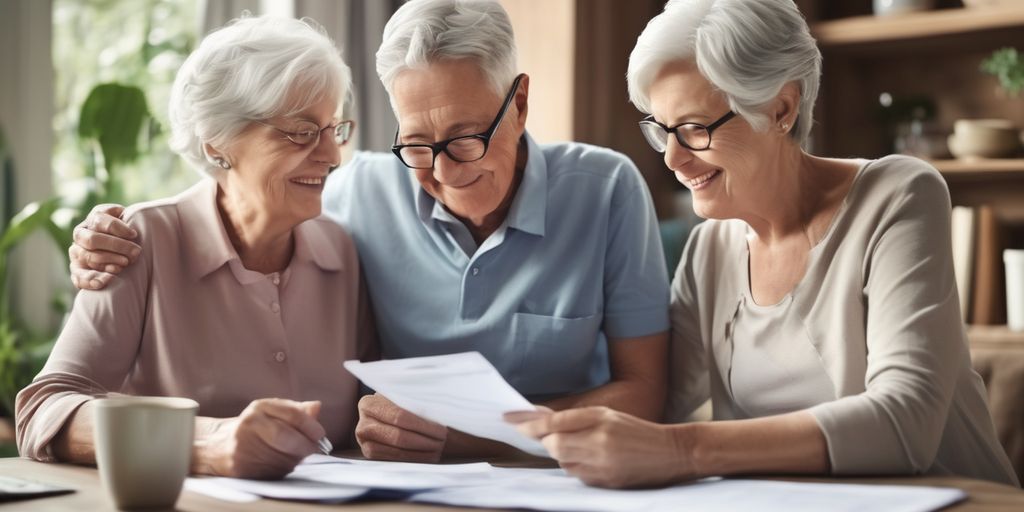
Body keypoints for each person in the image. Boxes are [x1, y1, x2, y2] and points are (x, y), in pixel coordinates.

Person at [65, 0, 670, 463]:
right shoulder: (352, 197)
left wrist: (465, 438)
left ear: (519, 104)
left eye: (466, 137)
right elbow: (245, 199)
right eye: (415, 143)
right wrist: (106, 237)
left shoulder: (606, 189)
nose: (441, 170)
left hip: (565, 479)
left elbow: (645, 393)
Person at [508, 0, 1020, 489]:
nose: (671, 159)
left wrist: (682, 451)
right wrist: (504, 425)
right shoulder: (708, 250)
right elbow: (657, 408)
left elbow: (905, 420)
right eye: (661, 130)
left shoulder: (899, 195)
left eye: (692, 129)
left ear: (781, 108)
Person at [16, 15, 375, 479]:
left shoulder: (341, 251)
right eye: (302, 132)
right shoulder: (140, 241)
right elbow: (44, 409)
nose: (331, 156)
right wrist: (207, 444)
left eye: (334, 129)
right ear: (217, 144)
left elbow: (374, 411)